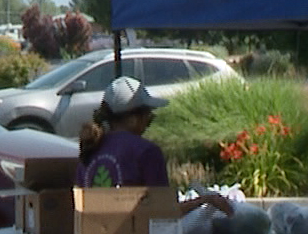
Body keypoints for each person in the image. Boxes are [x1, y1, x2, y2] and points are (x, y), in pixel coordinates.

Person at [76, 75, 233, 218]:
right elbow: (162, 213)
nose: (148, 124)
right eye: (149, 117)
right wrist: (204, 200)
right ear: (132, 119)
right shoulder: (146, 151)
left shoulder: (91, 148)